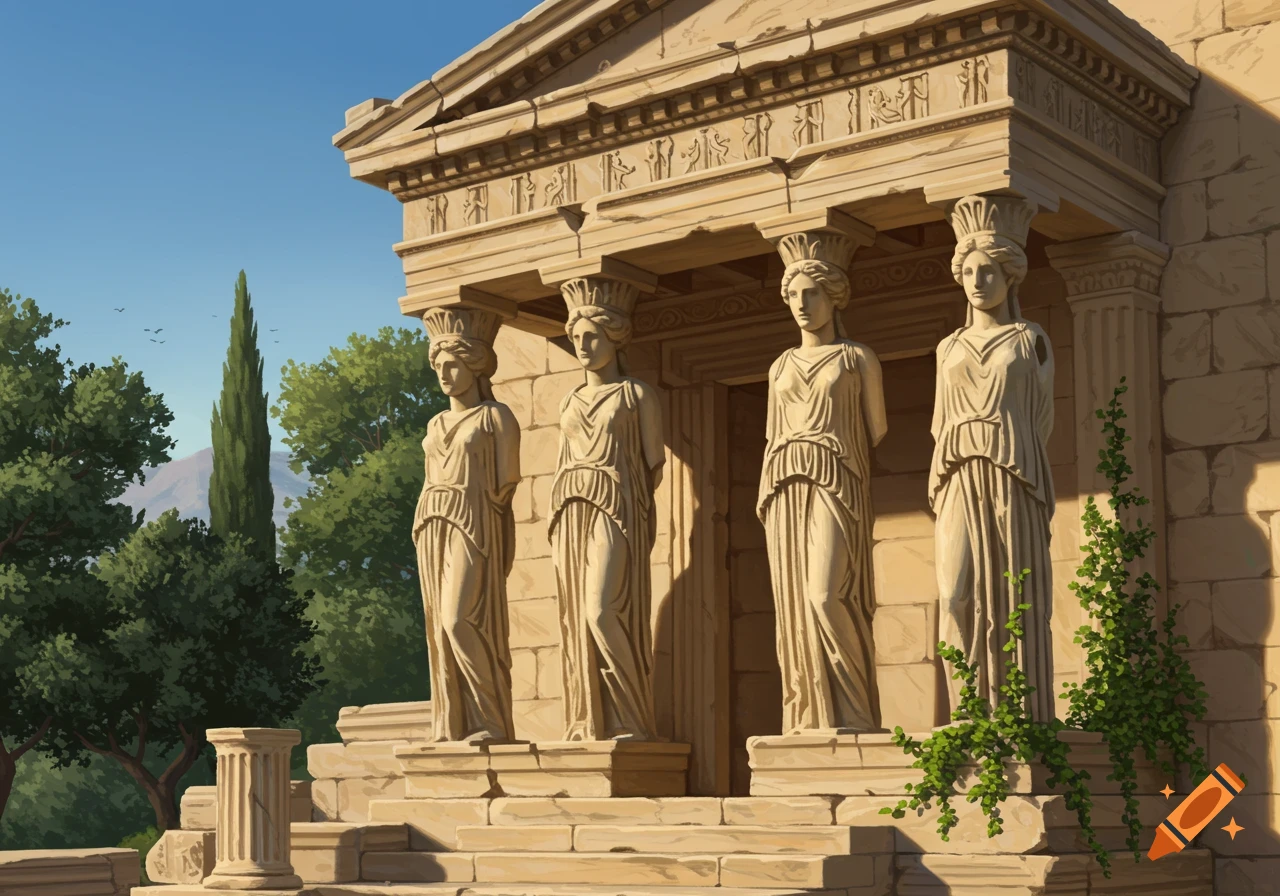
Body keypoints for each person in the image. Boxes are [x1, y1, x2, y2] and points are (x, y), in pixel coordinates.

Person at [930, 195, 1056, 723]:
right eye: (969, 272)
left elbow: (1042, 419)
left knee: (1011, 587)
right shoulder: (949, 347)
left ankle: (1016, 713)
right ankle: (968, 711)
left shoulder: (1030, 340)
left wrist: (1012, 453)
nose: (978, 281)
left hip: (1011, 471)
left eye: (989, 271)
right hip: (959, 473)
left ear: (1010, 278)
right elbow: (939, 420)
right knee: (955, 591)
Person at [757, 250, 888, 734]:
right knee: (794, 600)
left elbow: (876, 427)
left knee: (823, 593)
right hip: (786, 484)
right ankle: (812, 713)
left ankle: (855, 711)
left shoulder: (857, 359)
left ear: (834, 297)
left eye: (811, 292)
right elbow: (774, 434)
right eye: (792, 294)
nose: (801, 303)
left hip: (837, 478)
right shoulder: (779, 367)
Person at [549, 282, 665, 741]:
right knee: (577, 617)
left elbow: (652, 464)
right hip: (571, 509)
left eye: (592, 336)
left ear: (615, 337)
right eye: (576, 337)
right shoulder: (568, 401)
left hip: (617, 507)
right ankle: (592, 720)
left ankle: (630, 716)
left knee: (602, 609)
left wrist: (627, 505)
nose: (582, 345)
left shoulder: (636, 395)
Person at [413, 308, 520, 743]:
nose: (444, 372)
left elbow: (504, 486)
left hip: (473, 523)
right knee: (439, 627)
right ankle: (453, 723)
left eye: (452, 363)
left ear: (474, 365)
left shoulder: (496, 418)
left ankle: (492, 722)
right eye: (438, 365)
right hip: (431, 525)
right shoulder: (435, 422)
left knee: (460, 619)